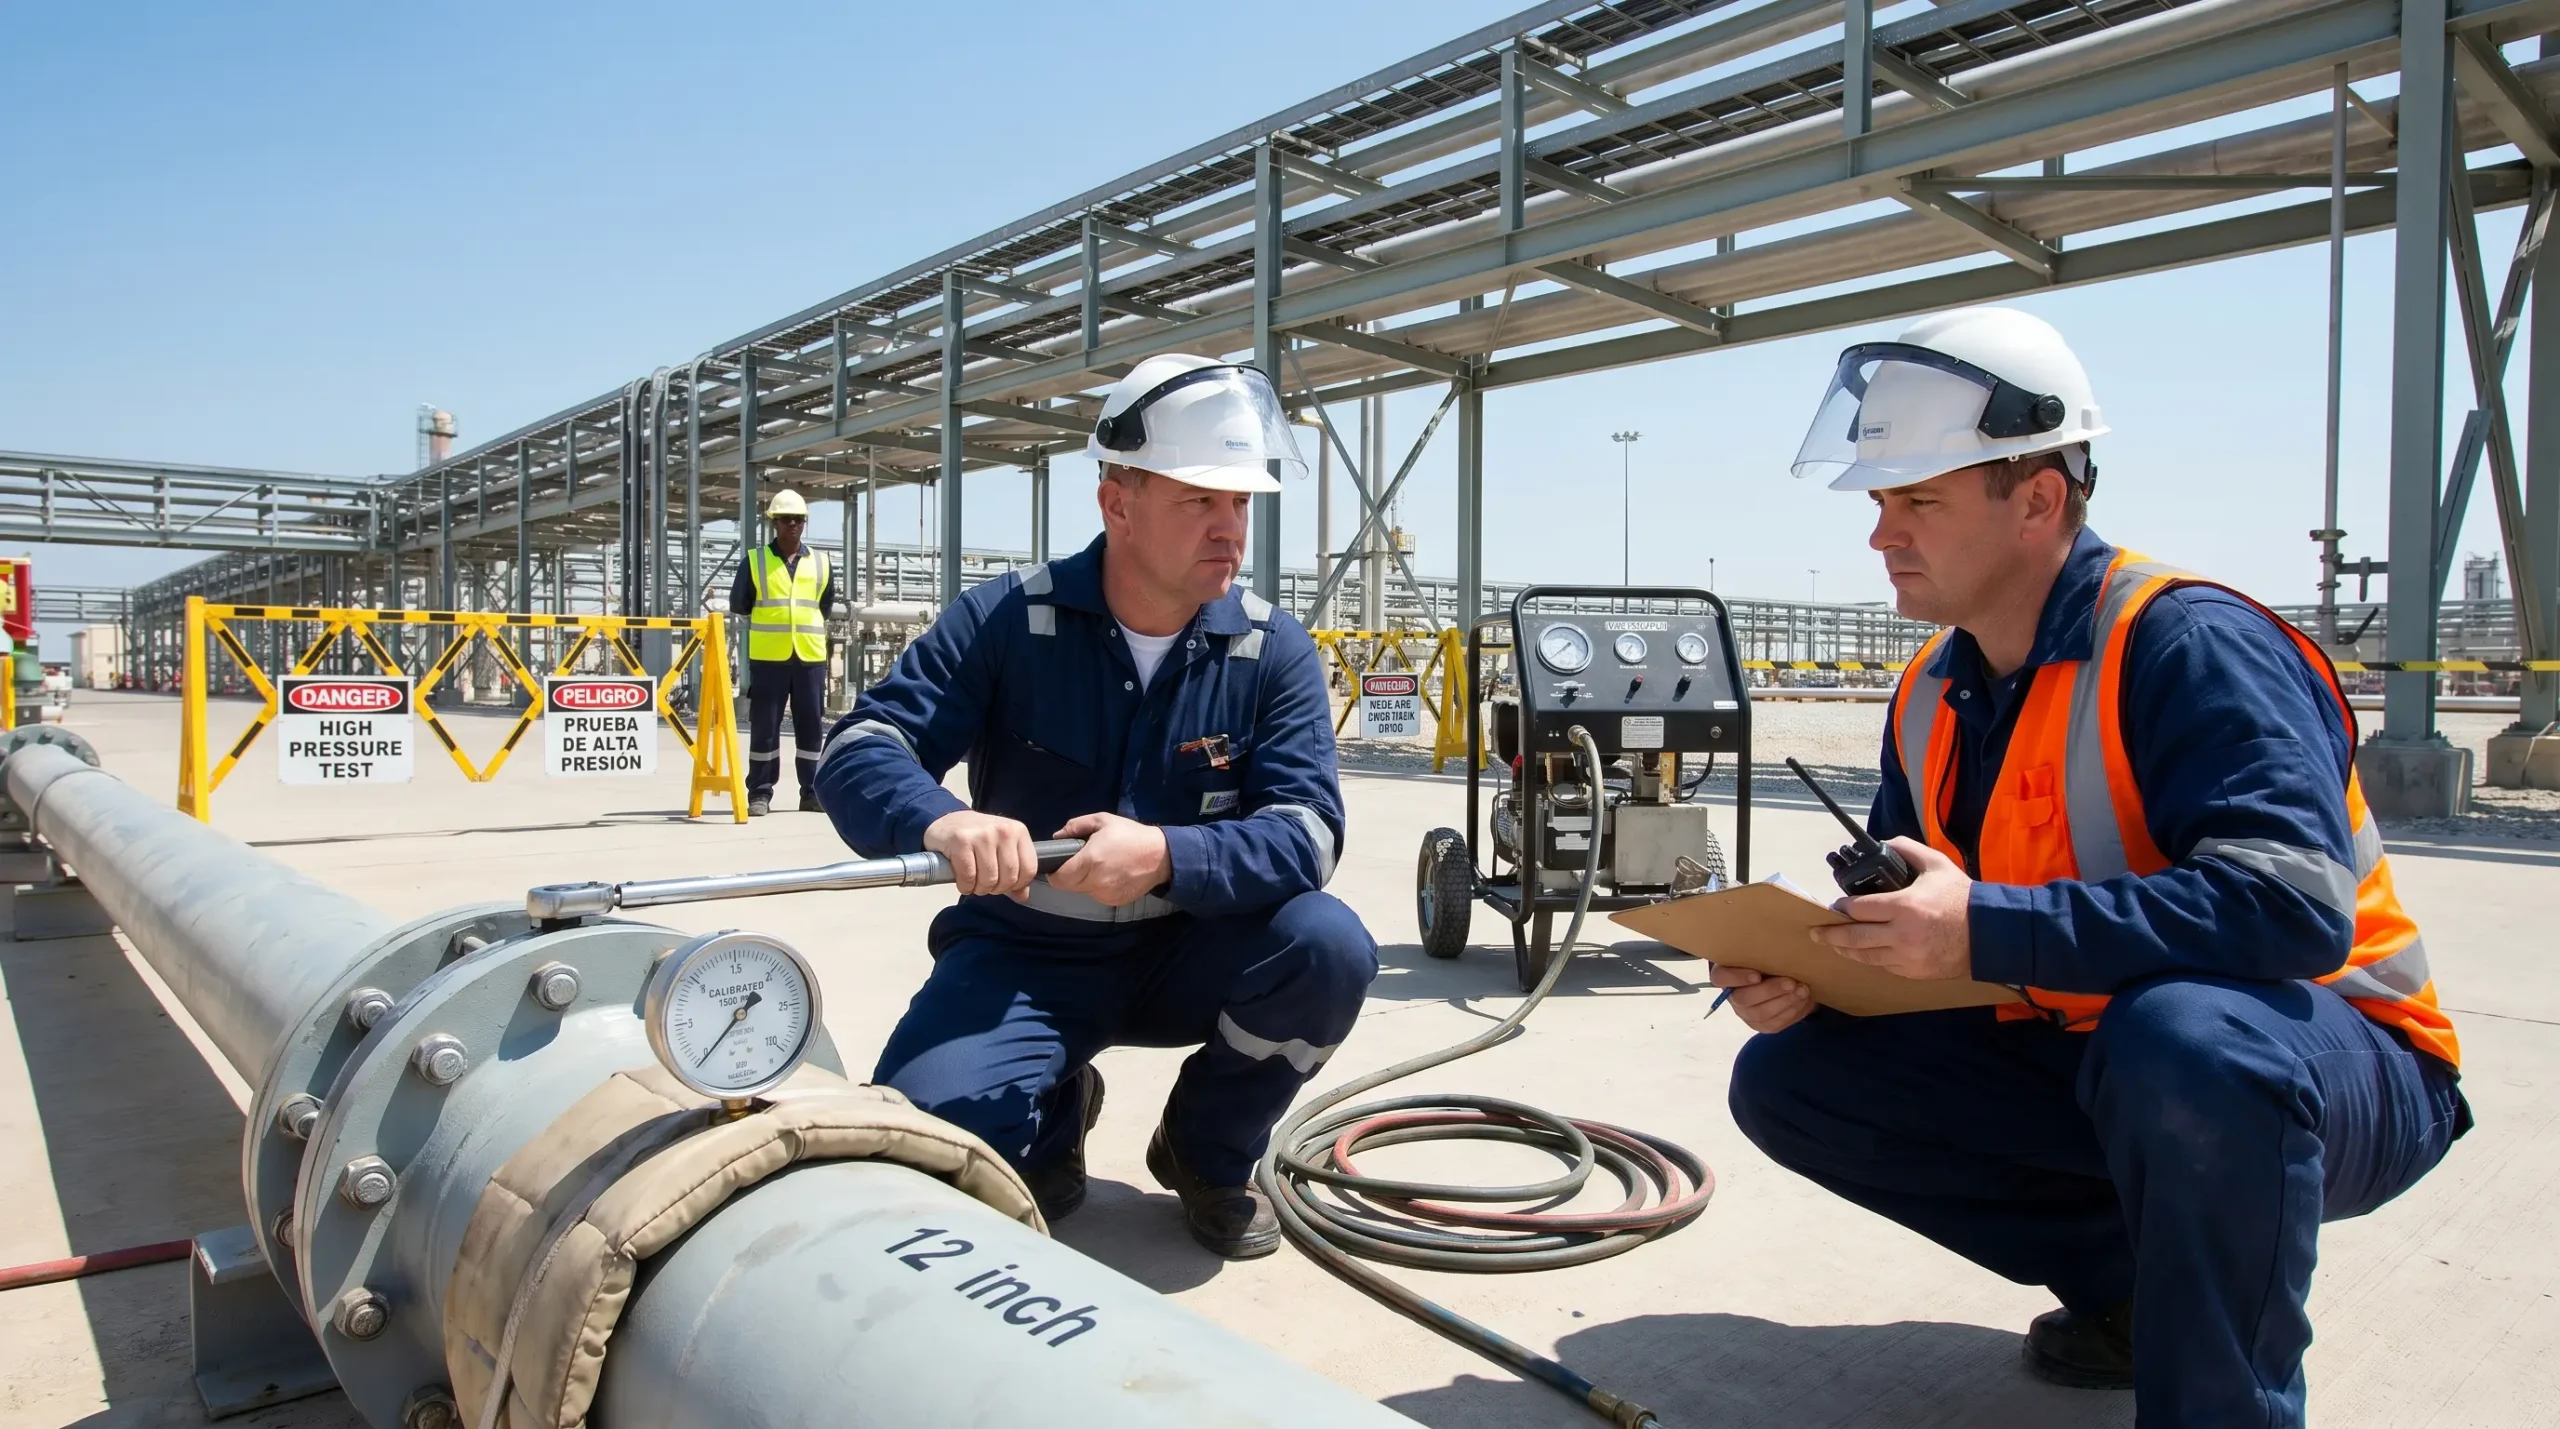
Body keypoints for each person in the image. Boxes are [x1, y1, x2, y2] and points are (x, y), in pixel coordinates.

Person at [1717, 307, 2467, 1425]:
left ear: (2038, 498)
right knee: (1799, 1081)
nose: (1883, 534)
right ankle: (2134, 1292)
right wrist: (1820, 968)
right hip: (2098, 1050)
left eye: (1917, 499)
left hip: (2337, 1060)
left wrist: (1982, 928)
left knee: (2181, 1040)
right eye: (1879, 501)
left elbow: (2291, 906)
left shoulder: (2188, 645)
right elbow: (1932, 908)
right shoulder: (1930, 690)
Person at [813, 354, 1377, 1258]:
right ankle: (1057, 1102)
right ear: (1118, 502)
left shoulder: (1273, 651)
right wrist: (938, 817)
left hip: (1194, 948)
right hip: (1029, 952)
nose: (1230, 528)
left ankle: (1206, 1151)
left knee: (1327, 945)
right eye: (1201, 500)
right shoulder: (1009, 620)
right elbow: (862, 745)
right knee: (924, 1161)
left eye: (1240, 503)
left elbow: (1306, 835)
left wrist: (1167, 854)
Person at [727, 488, 837, 816]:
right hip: (769, 658)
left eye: (799, 519)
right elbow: (739, 604)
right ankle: (760, 793)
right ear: (773, 522)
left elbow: (825, 606)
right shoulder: (756, 560)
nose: (793, 524)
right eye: (786, 519)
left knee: (811, 728)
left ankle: (812, 792)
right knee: (765, 728)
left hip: (809, 658)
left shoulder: (821, 562)